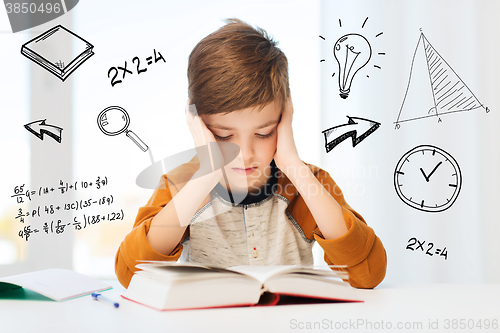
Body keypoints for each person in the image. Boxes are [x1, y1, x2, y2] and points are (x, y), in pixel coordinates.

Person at [115, 18, 386, 289]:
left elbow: (367, 274)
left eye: (264, 132)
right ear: (195, 121)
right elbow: (132, 277)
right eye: (223, 135)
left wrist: (293, 166)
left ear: (284, 115)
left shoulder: (308, 184)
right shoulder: (181, 186)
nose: (244, 154)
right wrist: (204, 176)